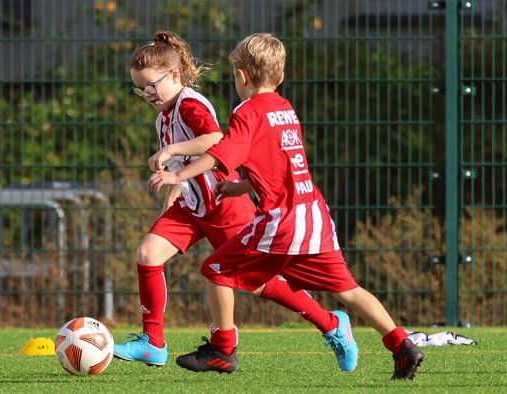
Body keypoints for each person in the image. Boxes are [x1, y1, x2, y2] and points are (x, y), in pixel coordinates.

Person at [148, 32, 424, 380]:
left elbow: (222, 153)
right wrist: (240, 187)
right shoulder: (284, 108)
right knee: (348, 290)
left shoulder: (247, 111)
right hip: (314, 215)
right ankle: (402, 345)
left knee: (215, 271)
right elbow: (281, 167)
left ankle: (223, 349)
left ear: (242, 76)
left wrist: (178, 175)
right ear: (278, 77)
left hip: (282, 220)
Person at [115, 31, 359, 372]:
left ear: (174, 75)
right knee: (147, 254)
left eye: (151, 85)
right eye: (140, 87)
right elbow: (178, 170)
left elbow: (215, 139)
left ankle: (331, 324)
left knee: (259, 283)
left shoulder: (190, 103)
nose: (146, 94)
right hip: (194, 205)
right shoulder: (164, 118)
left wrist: (171, 150)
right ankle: (153, 343)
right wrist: (170, 198)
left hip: (224, 203)